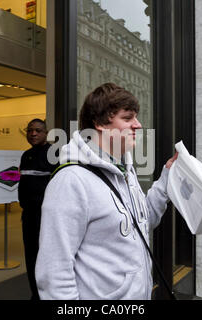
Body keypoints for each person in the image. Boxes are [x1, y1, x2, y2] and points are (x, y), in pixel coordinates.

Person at [35, 83, 178, 300]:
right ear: (100, 123)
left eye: (136, 117)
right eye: (128, 118)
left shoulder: (125, 171)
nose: (138, 125)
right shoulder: (70, 181)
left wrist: (166, 179)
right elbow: (54, 272)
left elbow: (142, 221)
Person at [18, 119, 58, 300]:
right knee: (31, 257)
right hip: (28, 216)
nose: (33, 134)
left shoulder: (54, 154)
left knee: (48, 258)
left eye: (38, 130)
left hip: (47, 218)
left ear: (46, 133)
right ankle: (35, 294)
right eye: (30, 130)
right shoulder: (25, 155)